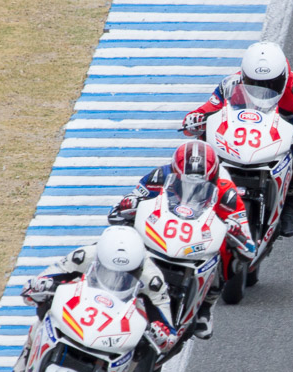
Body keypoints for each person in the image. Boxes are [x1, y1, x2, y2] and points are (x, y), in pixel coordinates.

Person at [11, 226, 176, 372]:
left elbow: (167, 326)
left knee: (140, 347)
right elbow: (50, 275)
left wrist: (161, 332)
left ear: (140, 265)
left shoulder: (152, 279)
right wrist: (40, 286)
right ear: (99, 258)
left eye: (129, 273)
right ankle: (26, 358)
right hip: (83, 304)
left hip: (120, 318)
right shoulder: (84, 256)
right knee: (46, 311)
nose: (120, 276)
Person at [181, 41, 293, 237]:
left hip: (277, 140)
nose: (262, 89)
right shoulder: (230, 84)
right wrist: (196, 119)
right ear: (244, 76)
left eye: (271, 84)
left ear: (283, 78)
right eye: (254, 83)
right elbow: (204, 111)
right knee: (200, 141)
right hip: (238, 140)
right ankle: (197, 192)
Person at [108, 140, 255, 339]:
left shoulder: (226, 190)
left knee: (229, 251)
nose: (193, 187)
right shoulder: (159, 176)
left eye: (201, 184)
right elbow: (123, 206)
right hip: (161, 231)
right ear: (175, 172)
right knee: (119, 235)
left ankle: (206, 306)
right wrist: (128, 204)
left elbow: (247, 243)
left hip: (199, 236)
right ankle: (111, 283)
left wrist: (236, 232)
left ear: (213, 178)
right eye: (186, 182)